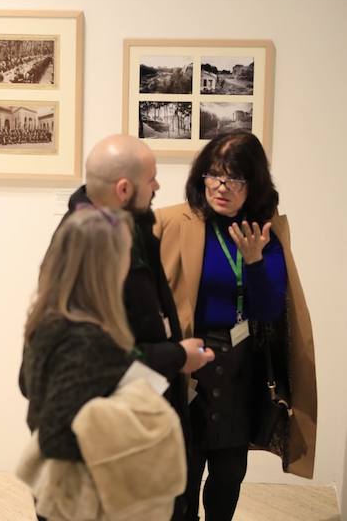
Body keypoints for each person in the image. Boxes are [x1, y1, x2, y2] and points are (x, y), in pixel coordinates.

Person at [154, 131, 317, 520]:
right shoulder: (174, 222)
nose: (221, 187)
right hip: (187, 362)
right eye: (214, 175)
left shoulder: (265, 232)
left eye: (235, 179)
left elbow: (267, 310)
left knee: (228, 474)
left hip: (239, 363)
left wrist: (256, 263)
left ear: (254, 184)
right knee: (184, 476)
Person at [59, 135, 214, 520]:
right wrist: (177, 355)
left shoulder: (132, 228)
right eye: (153, 179)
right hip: (111, 439)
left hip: (138, 415)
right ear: (124, 189)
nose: (159, 186)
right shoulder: (92, 248)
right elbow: (91, 360)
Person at [19, 207, 137, 521]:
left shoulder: (46, 318)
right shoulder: (89, 338)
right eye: (126, 252)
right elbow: (58, 435)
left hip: (51, 485)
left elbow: (26, 385)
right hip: (82, 495)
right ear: (104, 266)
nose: (130, 262)